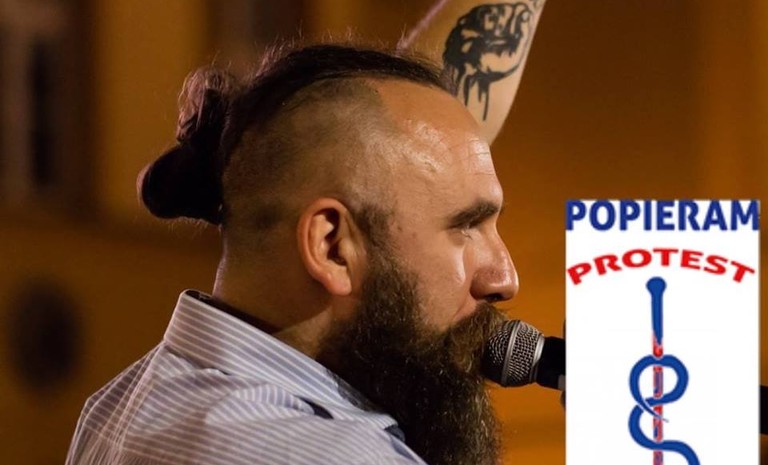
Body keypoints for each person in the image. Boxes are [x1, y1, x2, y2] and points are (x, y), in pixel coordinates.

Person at [65, 2, 547, 464]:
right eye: (466, 226)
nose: (506, 278)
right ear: (331, 246)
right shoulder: (334, 455)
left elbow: (398, 161)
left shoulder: (124, 405)